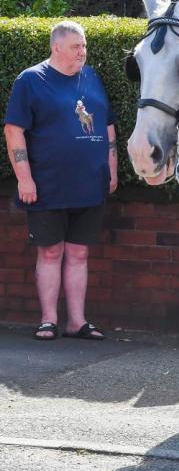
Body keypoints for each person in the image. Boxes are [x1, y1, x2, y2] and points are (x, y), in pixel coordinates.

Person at [4, 21, 117, 341]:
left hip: (90, 184)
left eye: (84, 46)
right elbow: (14, 132)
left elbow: (107, 125)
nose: (82, 52)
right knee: (51, 252)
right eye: (75, 47)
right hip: (48, 184)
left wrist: (112, 165)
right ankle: (49, 319)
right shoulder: (31, 80)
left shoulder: (92, 76)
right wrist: (24, 179)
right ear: (56, 48)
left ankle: (77, 321)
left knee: (79, 253)